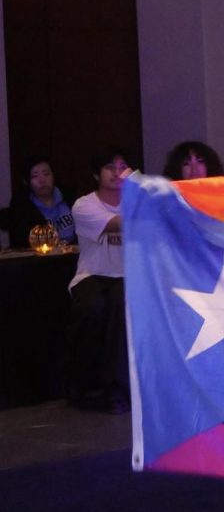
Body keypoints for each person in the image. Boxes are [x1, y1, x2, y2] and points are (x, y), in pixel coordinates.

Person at [67, 148, 132, 413]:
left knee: (122, 303)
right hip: (92, 275)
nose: (117, 173)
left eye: (123, 167)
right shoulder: (84, 205)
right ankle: (81, 382)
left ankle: (116, 389)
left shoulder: (136, 202)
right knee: (93, 307)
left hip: (127, 275)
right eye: (110, 167)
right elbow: (118, 224)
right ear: (96, 173)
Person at [6, 156, 76, 247]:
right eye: (35, 176)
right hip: (42, 258)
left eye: (46, 174)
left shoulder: (70, 197)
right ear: (26, 181)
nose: (42, 180)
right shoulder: (22, 207)